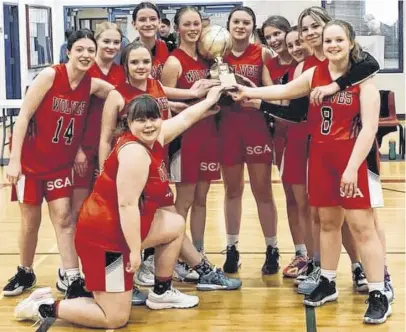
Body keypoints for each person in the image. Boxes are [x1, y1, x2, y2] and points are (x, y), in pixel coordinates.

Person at [14, 88, 226, 328]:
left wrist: (209, 100)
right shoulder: (134, 153)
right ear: (128, 123)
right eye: (141, 120)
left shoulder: (152, 137)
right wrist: (135, 252)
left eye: (153, 118)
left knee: (174, 223)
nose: (148, 124)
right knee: (114, 318)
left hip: (117, 229)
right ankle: (44, 306)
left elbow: (185, 118)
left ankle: (162, 291)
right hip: (107, 242)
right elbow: (126, 206)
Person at [231, 19, 391, 324]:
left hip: (351, 159)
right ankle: (328, 282)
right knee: (327, 224)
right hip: (319, 157)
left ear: (350, 43)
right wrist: (248, 92)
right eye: (328, 41)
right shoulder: (313, 74)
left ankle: (378, 292)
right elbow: (285, 91)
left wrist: (351, 170)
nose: (332, 46)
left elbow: (369, 130)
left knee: (362, 228)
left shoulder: (364, 82)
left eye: (338, 41)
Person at [99, 41, 242, 291]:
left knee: (171, 221)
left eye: (146, 61)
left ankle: (168, 281)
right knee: (132, 224)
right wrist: (103, 174)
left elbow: (179, 115)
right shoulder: (116, 95)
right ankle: (133, 271)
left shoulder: (156, 87)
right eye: (134, 62)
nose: (141, 66)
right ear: (125, 65)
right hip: (130, 175)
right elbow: (104, 137)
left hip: (157, 166)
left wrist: (205, 104)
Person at [4, 29, 114, 299]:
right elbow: (24, 117)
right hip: (30, 162)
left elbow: (123, 95)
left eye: (90, 50)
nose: (86, 55)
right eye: (80, 50)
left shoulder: (92, 84)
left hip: (59, 164)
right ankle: (25, 270)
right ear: (69, 52)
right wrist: (14, 160)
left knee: (64, 218)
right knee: (30, 222)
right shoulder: (51, 76)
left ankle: (72, 276)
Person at [160, 6, 220, 281]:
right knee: (183, 201)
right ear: (177, 28)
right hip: (185, 139)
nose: (193, 28)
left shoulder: (209, 59)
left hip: (208, 135)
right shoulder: (174, 62)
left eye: (197, 23)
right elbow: (164, 100)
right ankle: (179, 257)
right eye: (187, 24)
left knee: (201, 199)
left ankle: (198, 251)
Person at [219, 6, 279, 275]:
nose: (241, 26)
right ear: (229, 25)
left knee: (262, 191)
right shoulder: (218, 53)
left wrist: (256, 97)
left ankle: (272, 248)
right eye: (236, 22)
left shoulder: (261, 53)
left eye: (246, 22)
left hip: (255, 128)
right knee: (232, 191)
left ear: (252, 27)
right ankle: (231, 248)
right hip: (227, 128)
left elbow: (270, 92)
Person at [261, 16, 309, 279]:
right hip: (281, 135)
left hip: (305, 133)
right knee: (291, 195)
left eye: (278, 33)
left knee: (308, 199)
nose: (275, 40)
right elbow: (276, 100)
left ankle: (316, 257)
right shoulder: (269, 65)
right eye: (269, 37)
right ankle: (301, 252)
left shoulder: (307, 63)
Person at [131, 2, 169, 80]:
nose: (148, 24)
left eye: (153, 19)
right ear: (134, 24)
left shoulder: (168, 48)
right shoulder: (129, 53)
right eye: (142, 20)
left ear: (159, 22)